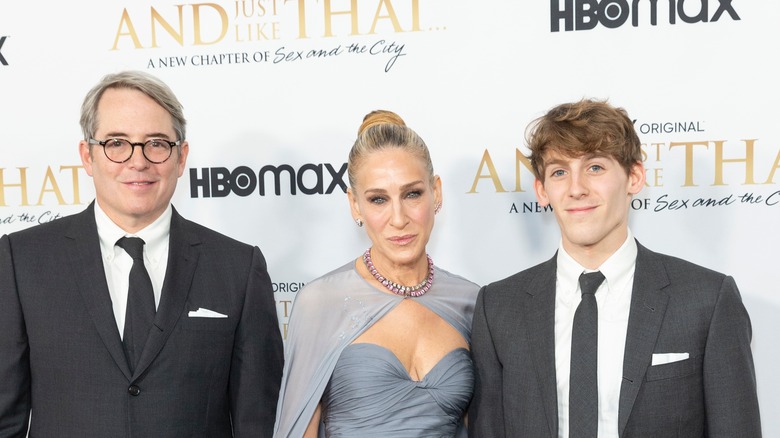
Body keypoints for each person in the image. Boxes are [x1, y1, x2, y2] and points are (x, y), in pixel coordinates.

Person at [0, 70, 284, 437]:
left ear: (181, 157)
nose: (138, 161)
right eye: (117, 143)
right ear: (88, 156)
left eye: (157, 143)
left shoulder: (238, 269)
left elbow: (259, 422)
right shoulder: (21, 261)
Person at [469, 99, 762, 437]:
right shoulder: (499, 307)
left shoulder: (707, 301)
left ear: (634, 177)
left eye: (595, 167)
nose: (576, 189)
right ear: (542, 190)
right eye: (559, 172)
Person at [274, 110, 480, 437]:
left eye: (412, 194)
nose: (398, 218)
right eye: (378, 199)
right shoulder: (321, 302)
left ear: (436, 192)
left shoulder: (471, 302)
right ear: (355, 205)